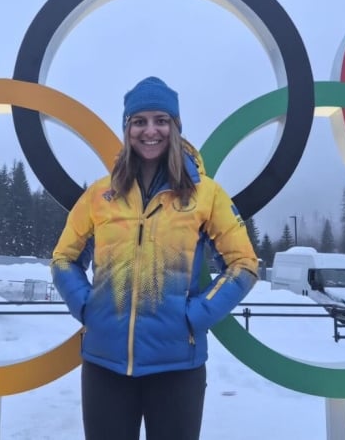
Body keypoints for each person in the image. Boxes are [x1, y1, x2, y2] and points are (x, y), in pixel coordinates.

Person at [51, 76, 259, 440]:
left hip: (177, 368)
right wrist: (88, 307)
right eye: (139, 121)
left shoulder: (205, 195)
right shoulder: (101, 194)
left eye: (161, 120)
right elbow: (63, 258)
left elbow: (244, 264)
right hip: (105, 366)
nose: (151, 131)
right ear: (127, 128)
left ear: (175, 127)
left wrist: (193, 316)